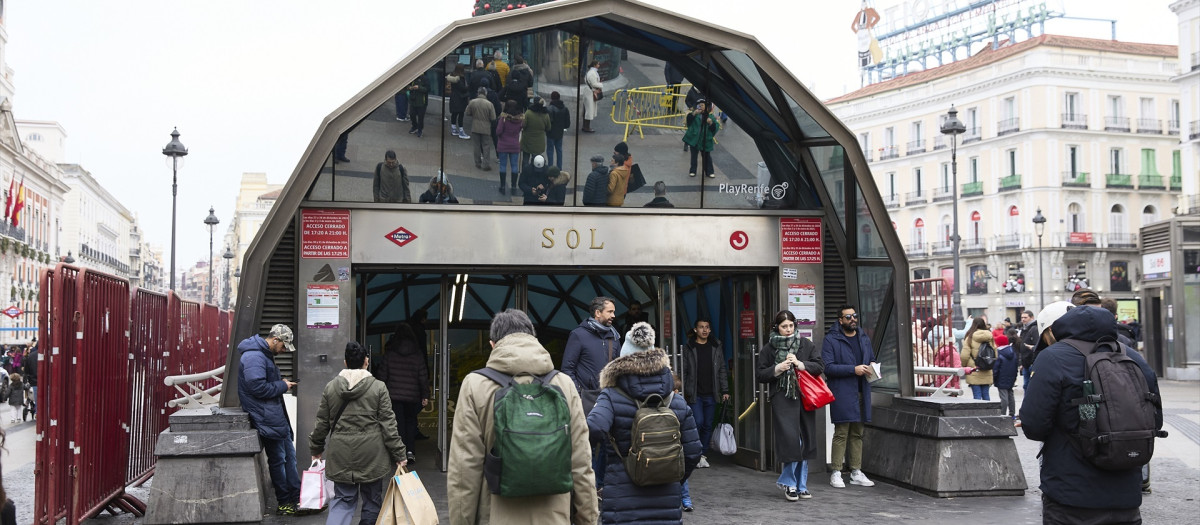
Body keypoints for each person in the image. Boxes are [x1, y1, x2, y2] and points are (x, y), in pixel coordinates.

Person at [447, 309, 598, 525]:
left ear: (493, 345)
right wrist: (588, 519)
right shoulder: (563, 384)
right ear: (534, 339)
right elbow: (581, 463)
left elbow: (464, 469)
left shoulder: (475, 385)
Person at [1020, 302, 1162, 523]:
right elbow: (1155, 420)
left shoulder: (1053, 357)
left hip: (1071, 494)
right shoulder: (1133, 357)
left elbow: (1034, 425)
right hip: (1126, 494)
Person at [586, 322, 701, 525]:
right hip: (666, 500)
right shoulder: (675, 399)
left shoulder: (611, 396)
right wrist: (671, 474)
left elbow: (594, 427)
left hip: (621, 501)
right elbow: (693, 452)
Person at [310, 341, 407, 525]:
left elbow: (321, 423)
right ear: (366, 361)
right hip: (372, 456)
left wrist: (316, 448)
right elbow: (389, 425)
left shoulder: (331, 387)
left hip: (341, 454)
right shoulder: (378, 388)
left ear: (345, 363)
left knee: (343, 500)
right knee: (372, 500)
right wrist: (399, 454)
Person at [757, 310, 824, 501]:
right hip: (782, 399)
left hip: (804, 397)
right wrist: (777, 369)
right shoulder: (769, 348)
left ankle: (801, 485)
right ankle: (789, 483)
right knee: (792, 441)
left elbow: (820, 366)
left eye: (791, 326)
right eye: (783, 326)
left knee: (805, 441)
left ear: (795, 326)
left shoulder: (805, 344)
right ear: (776, 327)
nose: (788, 330)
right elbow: (760, 374)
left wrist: (801, 364)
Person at [237, 324, 303, 516]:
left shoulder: (261, 355)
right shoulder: (254, 356)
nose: (283, 351)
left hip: (272, 414)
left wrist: (280, 384)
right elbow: (257, 388)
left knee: (289, 456)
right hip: (265, 416)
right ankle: (284, 502)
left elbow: (260, 383)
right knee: (278, 459)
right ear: (275, 340)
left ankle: (296, 498)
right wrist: (282, 385)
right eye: (283, 347)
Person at [561, 296, 620, 490]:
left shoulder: (614, 336)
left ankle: (599, 486)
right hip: (585, 399)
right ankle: (581, 487)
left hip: (608, 398)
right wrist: (578, 393)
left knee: (608, 444)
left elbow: (618, 368)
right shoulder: (578, 335)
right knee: (583, 445)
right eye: (610, 311)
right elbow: (567, 369)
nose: (614, 315)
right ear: (597, 313)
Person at [822, 305, 876, 489]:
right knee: (842, 431)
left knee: (858, 433)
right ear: (840, 320)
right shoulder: (831, 339)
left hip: (862, 390)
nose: (852, 319)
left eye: (854, 316)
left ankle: (856, 471)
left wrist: (873, 367)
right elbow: (827, 367)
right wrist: (853, 370)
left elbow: (871, 358)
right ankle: (836, 472)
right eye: (848, 317)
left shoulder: (863, 337)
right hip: (842, 391)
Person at [375, 324, 428, 463]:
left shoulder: (390, 353)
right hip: (412, 396)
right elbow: (422, 376)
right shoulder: (417, 354)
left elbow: (382, 376)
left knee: (398, 423)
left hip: (394, 396)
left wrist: (379, 393)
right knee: (411, 423)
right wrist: (425, 395)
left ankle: (399, 454)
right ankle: (410, 452)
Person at [681, 318, 728, 469]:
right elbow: (684, 370)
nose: (705, 330)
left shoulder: (716, 346)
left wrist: (725, 390)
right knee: (698, 422)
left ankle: (702, 455)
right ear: (695, 330)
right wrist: (682, 389)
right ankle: (693, 453)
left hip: (711, 393)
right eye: (701, 327)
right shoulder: (689, 347)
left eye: (707, 327)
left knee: (708, 425)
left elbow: (721, 369)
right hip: (695, 393)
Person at [683, 98, 720, 178]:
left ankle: (709, 172)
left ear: (706, 107)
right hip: (695, 140)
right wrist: (693, 114)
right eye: (699, 105)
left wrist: (711, 123)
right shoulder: (695, 115)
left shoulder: (710, 117)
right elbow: (688, 121)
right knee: (693, 156)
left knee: (706, 156)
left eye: (702, 105)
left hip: (705, 140)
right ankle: (693, 171)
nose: (700, 107)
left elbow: (715, 128)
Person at [961, 317, 994, 400]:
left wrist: (964, 366)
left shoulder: (970, 337)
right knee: (986, 394)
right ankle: (988, 412)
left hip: (974, 369)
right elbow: (995, 353)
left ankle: (978, 412)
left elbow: (964, 355)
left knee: (977, 395)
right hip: (986, 368)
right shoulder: (990, 337)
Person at [494, 100, 524, 195]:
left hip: (503, 145)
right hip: (515, 145)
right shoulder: (520, 119)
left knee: (503, 166)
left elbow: (498, 131)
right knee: (514, 166)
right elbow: (521, 129)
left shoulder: (503, 119)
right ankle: (514, 187)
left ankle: (502, 187)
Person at [465, 87, 497, 172]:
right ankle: (486, 164)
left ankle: (477, 163)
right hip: (486, 128)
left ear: (478, 93)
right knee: (486, 146)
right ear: (485, 93)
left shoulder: (472, 102)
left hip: (475, 127)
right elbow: (493, 117)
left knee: (477, 146)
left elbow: (467, 113)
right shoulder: (489, 104)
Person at [521, 97, 552, 171]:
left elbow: (523, 125)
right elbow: (548, 128)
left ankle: (524, 172)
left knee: (525, 158)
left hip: (527, 139)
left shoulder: (528, 113)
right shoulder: (545, 115)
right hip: (539, 141)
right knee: (536, 158)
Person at [992, 334, 1018, 419]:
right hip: (1011, 377)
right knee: (1010, 395)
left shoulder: (999, 353)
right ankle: (1012, 414)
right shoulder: (1012, 352)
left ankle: (1003, 413)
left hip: (1001, 377)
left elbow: (996, 368)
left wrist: (994, 378)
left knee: (1004, 397)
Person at [545, 91, 571, 170]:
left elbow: (548, 122)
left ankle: (550, 168)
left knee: (550, 151)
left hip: (550, 133)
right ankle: (559, 168)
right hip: (560, 133)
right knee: (559, 150)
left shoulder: (549, 109)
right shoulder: (565, 108)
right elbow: (567, 124)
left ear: (551, 98)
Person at [446, 64, 471, 140]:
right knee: (461, 114)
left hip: (453, 97)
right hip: (460, 98)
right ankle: (461, 131)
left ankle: (453, 129)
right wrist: (469, 87)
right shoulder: (460, 78)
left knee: (454, 114)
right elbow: (463, 88)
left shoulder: (452, 76)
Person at [1018, 309, 1038, 389]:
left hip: (1031, 363)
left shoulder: (1034, 329)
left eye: (1025, 317)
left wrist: (1032, 362)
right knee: (1026, 386)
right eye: (1022, 317)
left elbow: (1036, 346)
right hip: (1026, 363)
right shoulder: (1024, 329)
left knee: (1031, 387)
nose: (1023, 319)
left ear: (1032, 318)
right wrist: (1022, 362)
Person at [582, 60, 601, 133]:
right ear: (595, 65)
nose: (599, 65)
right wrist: (601, 85)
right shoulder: (592, 73)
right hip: (590, 92)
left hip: (589, 92)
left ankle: (585, 126)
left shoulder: (591, 72)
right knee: (589, 110)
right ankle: (586, 127)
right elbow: (594, 83)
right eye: (598, 64)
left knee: (587, 109)